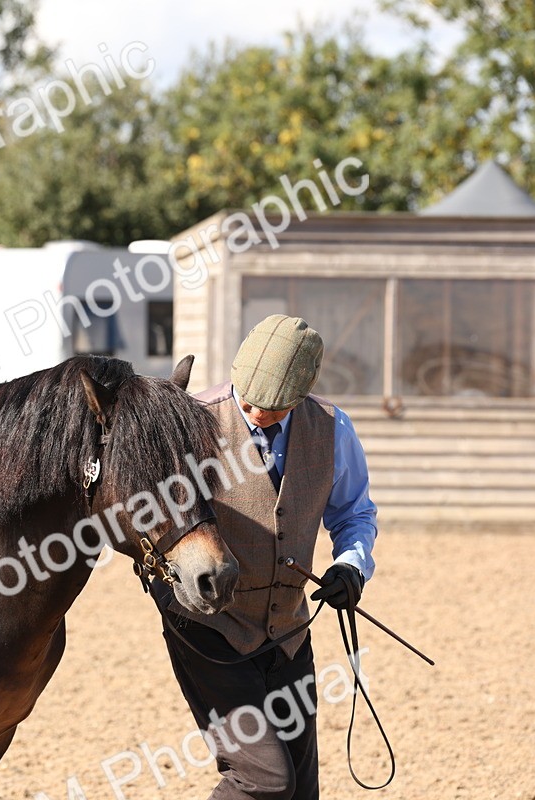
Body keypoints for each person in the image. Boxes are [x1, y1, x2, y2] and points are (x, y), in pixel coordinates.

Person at [152, 314, 377, 800]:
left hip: (289, 632)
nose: (254, 414)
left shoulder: (333, 428)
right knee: (263, 781)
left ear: (302, 395)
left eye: (272, 409)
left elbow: (355, 514)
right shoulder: (190, 422)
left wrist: (350, 567)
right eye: (247, 400)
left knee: (300, 791)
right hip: (210, 630)